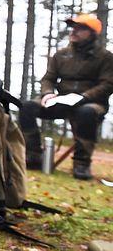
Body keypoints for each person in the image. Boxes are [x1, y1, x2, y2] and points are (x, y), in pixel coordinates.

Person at [19, 13, 113, 180]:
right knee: (27, 107)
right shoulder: (61, 55)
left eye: (80, 28)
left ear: (92, 33)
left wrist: (84, 97)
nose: (74, 31)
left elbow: (107, 84)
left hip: (92, 103)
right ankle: (33, 156)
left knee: (87, 112)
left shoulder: (105, 57)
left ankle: (81, 164)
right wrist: (48, 93)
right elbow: (48, 78)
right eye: (73, 27)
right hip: (61, 100)